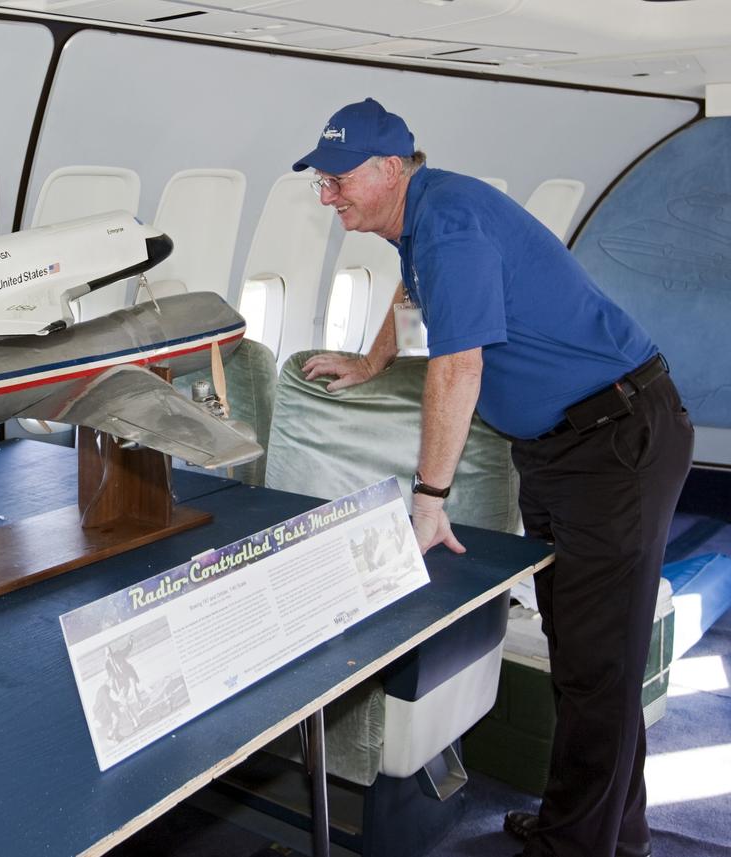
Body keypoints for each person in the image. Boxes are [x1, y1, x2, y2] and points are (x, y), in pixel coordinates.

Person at [292, 98, 692, 857]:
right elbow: (415, 294)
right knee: (586, 658)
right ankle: (615, 831)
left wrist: (429, 499)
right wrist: (371, 361)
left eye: (339, 180)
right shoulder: (421, 221)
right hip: (559, 451)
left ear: (390, 169)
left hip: (616, 443)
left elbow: (458, 366)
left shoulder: (448, 222)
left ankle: (574, 846)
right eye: (322, 181)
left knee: (597, 666)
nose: (327, 196)